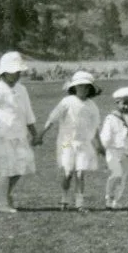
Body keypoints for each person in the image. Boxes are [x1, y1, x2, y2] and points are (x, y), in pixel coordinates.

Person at [0, 51, 39, 214]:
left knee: (23, 165)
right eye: (13, 72)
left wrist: (35, 133)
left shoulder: (22, 89)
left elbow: (28, 113)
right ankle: (2, 203)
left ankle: (7, 194)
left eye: (19, 72)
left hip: (19, 134)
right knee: (6, 169)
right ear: (4, 72)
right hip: (1, 136)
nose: (17, 75)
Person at [39, 70, 102, 211]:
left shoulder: (92, 106)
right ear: (74, 87)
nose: (83, 89)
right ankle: (64, 199)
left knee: (80, 172)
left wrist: (100, 145)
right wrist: (41, 134)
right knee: (68, 173)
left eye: (86, 87)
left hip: (83, 143)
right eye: (80, 86)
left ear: (90, 89)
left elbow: (95, 127)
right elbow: (52, 119)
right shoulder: (67, 102)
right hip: (66, 142)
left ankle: (80, 203)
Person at [100, 87, 128, 209]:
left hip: (127, 151)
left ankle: (116, 200)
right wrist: (103, 149)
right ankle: (108, 197)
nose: (127, 107)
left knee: (123, 177)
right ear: (117, 103)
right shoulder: (111, 118)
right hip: (113, 150)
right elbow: (105, 136)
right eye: (124, 103)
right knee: (116, 173)